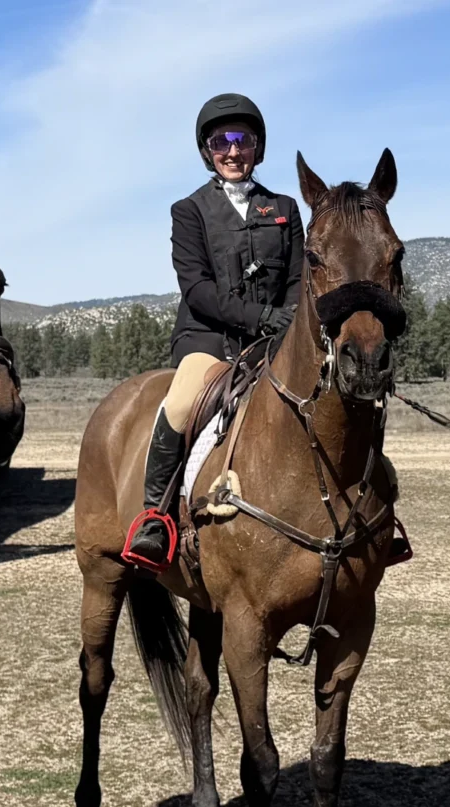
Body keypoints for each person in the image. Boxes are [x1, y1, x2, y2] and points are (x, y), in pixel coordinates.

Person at [121, 93, 307, 570]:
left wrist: (287, 322)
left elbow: (297, 279)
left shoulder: (284, 208)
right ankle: (155, 517)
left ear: (258, 147)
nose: (232, 151)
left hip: (275, 342)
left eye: (242, 140)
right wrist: (260, 317)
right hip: (207, 340)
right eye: (221, 142)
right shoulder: (189, 210)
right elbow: (198, 289)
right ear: (208, 150)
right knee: (182, 402)